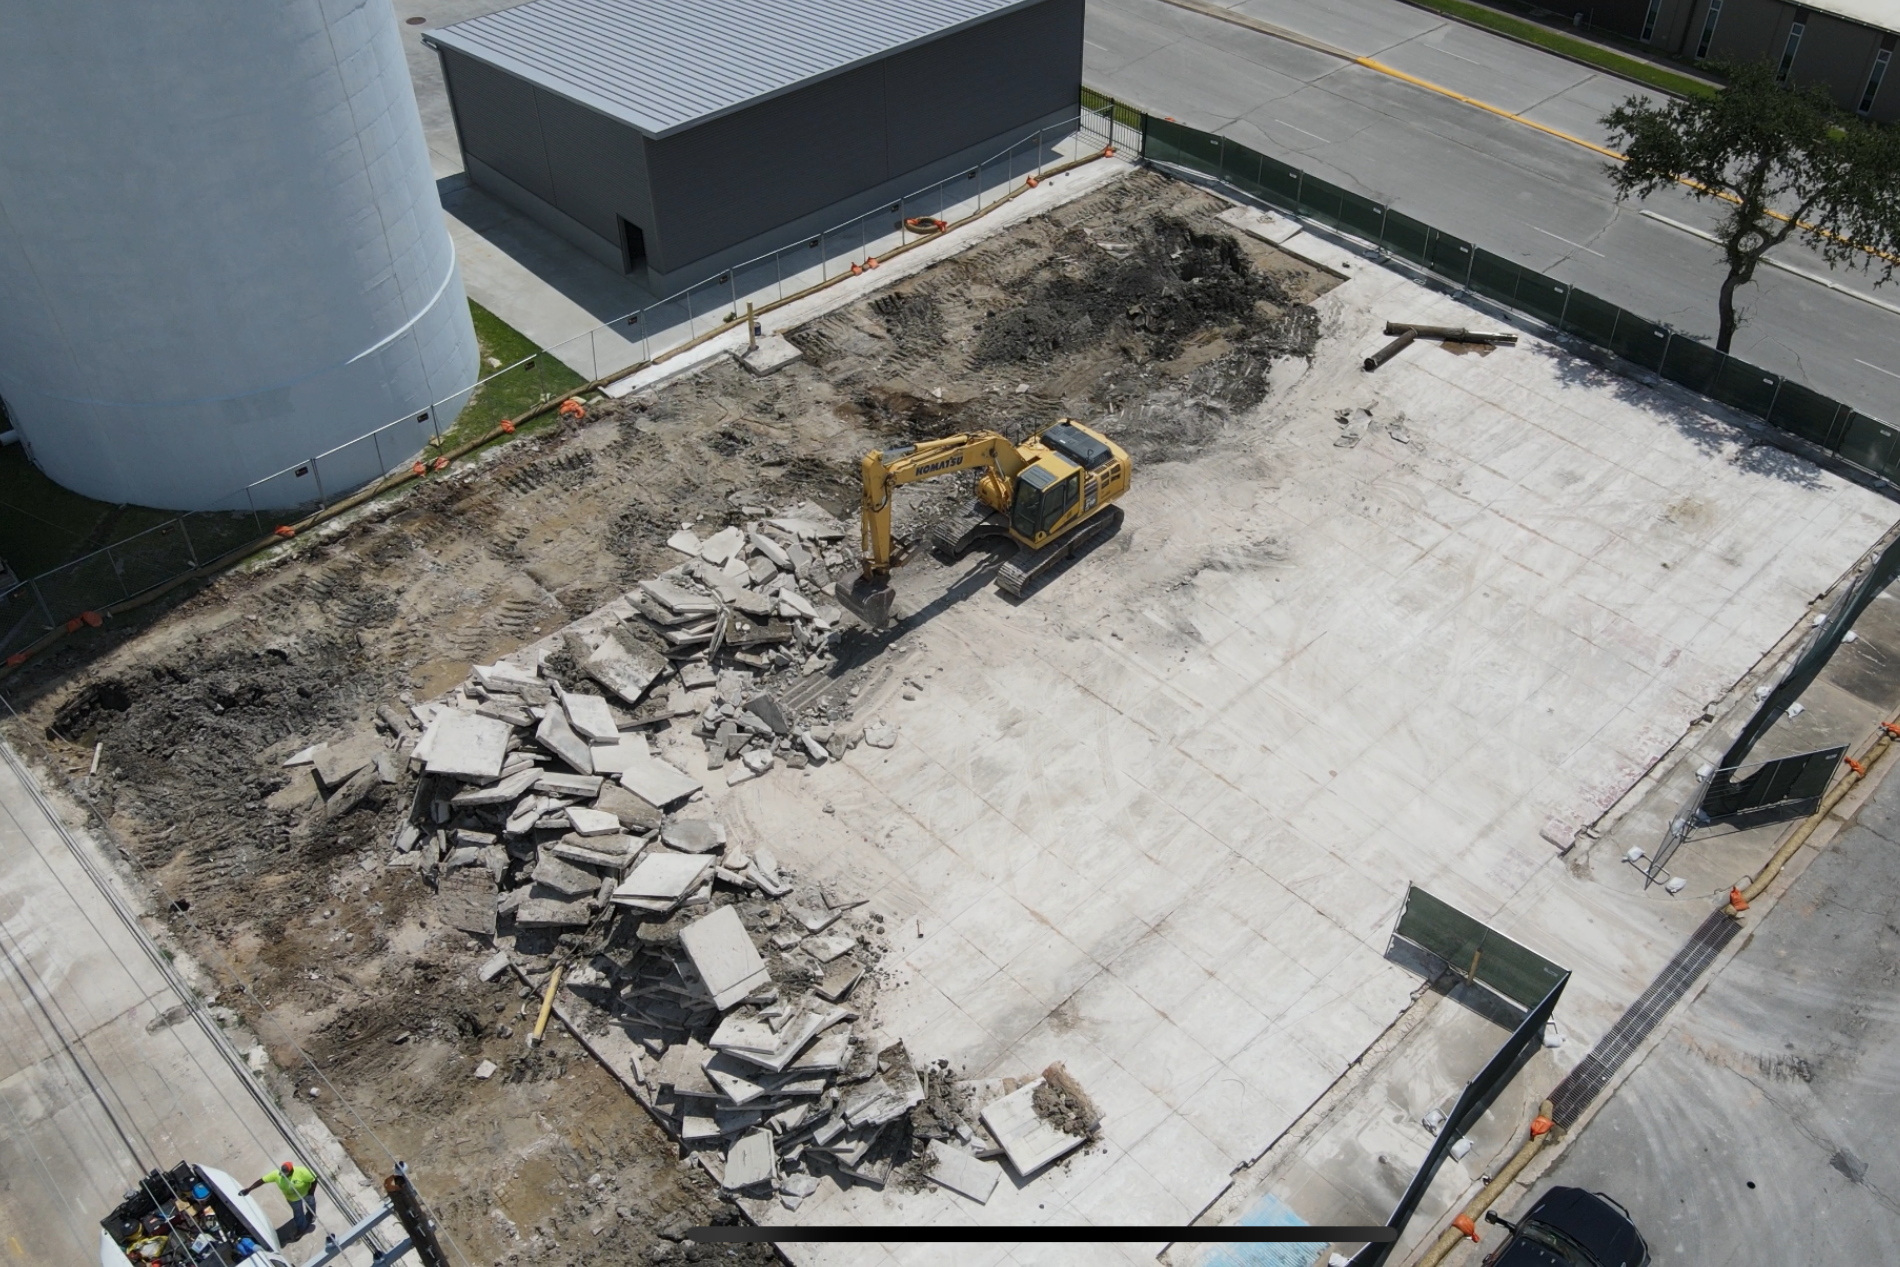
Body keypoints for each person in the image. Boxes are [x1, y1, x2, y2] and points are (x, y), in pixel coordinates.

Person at [241, 1161, 318, 1236]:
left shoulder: (302, 1172)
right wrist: (249, 1189)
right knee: (298, 1214)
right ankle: (302, 1228)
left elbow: (314, 1179)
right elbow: (262, 1180)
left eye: (285, 1173)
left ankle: (311, 1215)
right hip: (293, 1199)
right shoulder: (277, 1174)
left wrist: (311, 1192)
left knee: (311, 1204)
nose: (282, 1174)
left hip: (306, 1193)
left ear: (291, 1171)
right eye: (282, 1172)